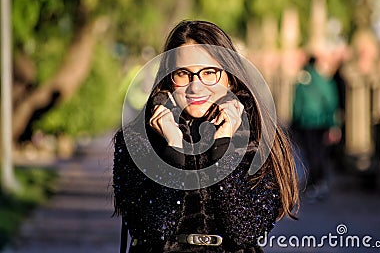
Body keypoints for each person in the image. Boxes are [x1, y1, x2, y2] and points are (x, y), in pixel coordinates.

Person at [113, 20, 299, 252]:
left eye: (209, 73)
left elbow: (245, 230)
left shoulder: (259, 137)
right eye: (183, 74)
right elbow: (153, 229)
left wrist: (223, 150)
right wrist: (173, 150)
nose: (196, 87)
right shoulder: (137, 139)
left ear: (230, 77)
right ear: (169, 78)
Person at [292, 55, 340, 202]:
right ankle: (320, 183)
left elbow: (297, 103)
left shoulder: (303, 80)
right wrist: (334, 125)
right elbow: (331, 102)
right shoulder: (325, 81)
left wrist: (295, 122)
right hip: (322, 123)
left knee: (310, 154)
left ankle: (314, 184)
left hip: (307, 123)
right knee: (320, 154)